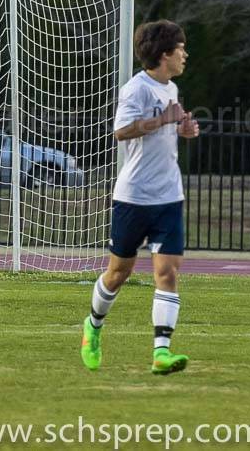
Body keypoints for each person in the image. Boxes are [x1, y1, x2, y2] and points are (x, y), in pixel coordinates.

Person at [80, 20, 199, 375]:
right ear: (165, 54)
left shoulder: (172, 89)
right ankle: (93, 327)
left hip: (169, 196)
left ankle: (161, 352)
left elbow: (169, 127)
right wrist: (163, 120)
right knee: (119, 273)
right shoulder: (136, 89)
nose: (185, 55)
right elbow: (121, 131)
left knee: (168, 272)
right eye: (181, 49)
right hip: (133, 197)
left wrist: (184, 129)